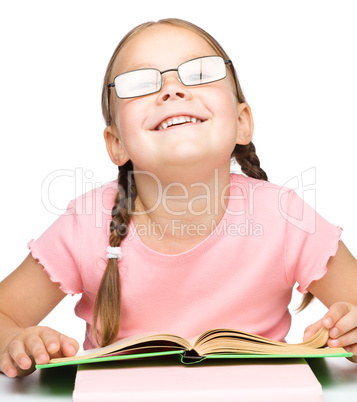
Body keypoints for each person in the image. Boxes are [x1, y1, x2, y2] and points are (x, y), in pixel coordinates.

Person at [1, 18, 356, 378]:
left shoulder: (287, 217)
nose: (171, 89)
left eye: (200, 73)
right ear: (117, 144)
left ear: (242, 122)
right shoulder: (85, 224)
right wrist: (16, 340)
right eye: (141, 83)